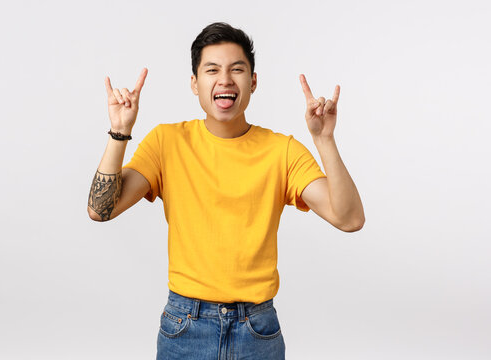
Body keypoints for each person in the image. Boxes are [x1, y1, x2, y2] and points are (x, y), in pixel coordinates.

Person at [87, 22, 364, 360]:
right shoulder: (166, 142)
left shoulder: (282, 151)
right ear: (195, 83)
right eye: (212, 70)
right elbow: (101, 210)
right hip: (186, 326)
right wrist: (119, 132)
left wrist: (324, 140)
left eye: (237, 69)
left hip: (257, 331)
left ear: (253, 81)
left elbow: (349, 219)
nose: (225, 79)